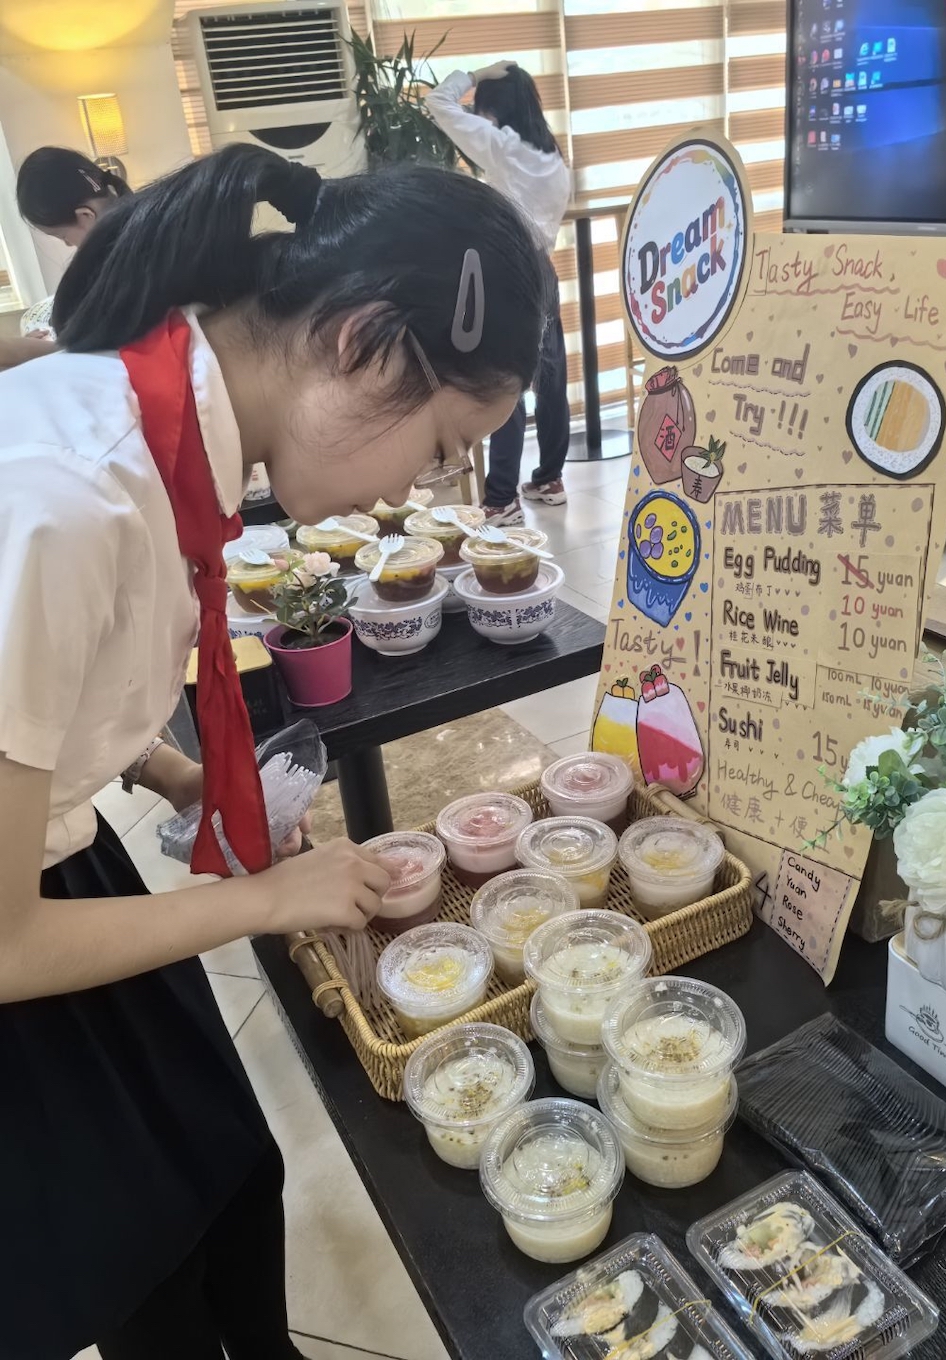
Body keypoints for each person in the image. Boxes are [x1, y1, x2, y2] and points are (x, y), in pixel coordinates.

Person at [0, 143, 548, 1360]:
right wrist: (265, 897)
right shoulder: (66, 496)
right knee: (144, 1271)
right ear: (361, 344)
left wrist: (177, 772)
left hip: (61, 864)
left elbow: (45, 697)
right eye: (441, 444)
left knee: (230, 1175)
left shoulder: (155, 439)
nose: (420, 488)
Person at [427, 60, 572, 524]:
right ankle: (549, 478)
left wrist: (476, 74)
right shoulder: (554, 158)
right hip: (543, 271)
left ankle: (501, 499)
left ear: (496, 108)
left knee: (507, 382)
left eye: (483, 108)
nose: (480, 117)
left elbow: (437, 102)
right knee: (550, 380)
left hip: (511, 272)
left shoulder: (504, 147)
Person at [0, 146, 131, 371]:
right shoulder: (136, 235)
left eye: (62, 236)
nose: (69, 244)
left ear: (86, 215)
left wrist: (33, 350)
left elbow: (103, 347)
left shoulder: (126, 267)